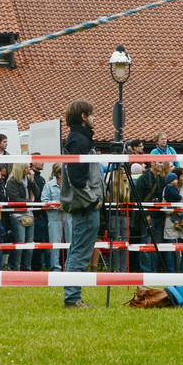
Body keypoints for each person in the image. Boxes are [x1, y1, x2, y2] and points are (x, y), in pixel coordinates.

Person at [59, 100, 104, 307]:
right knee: (79, 252)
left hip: (83, 205)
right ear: (84, 117)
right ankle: (72, 298)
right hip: (84, 206)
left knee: (79, 250)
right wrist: (92, 201)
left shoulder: (79, 139)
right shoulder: (79, 141)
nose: (95, 118)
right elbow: (77, 178)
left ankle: (73, 295)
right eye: (92, 114)